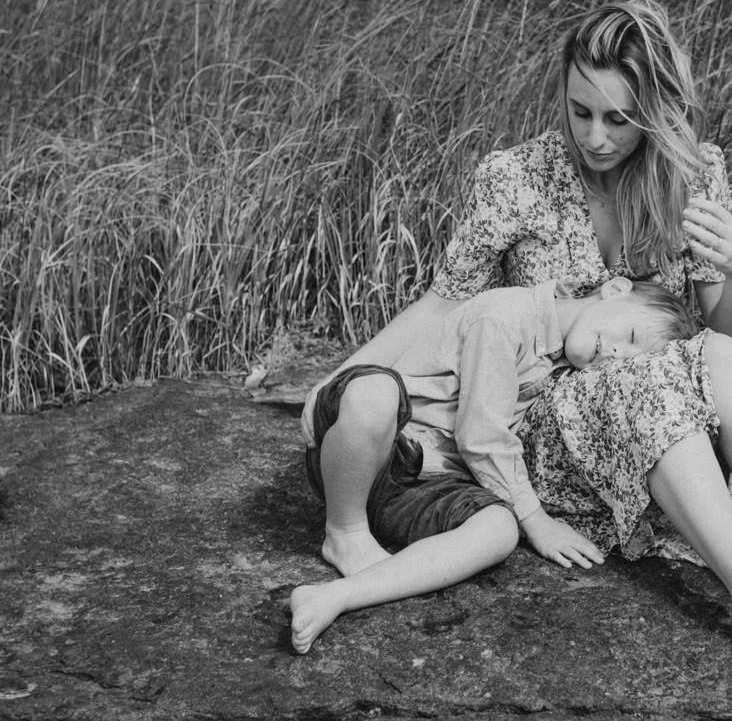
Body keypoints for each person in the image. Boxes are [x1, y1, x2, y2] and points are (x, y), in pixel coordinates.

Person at [279, 0, 732, 681]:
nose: (597, 136)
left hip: (657, 413)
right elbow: (445, 302)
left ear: (655, 109)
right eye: (581, 111)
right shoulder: (517, 178)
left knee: (727, 356)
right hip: (551, 425)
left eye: (619, 118)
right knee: (644, 377)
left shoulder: (689, 175)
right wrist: (349, 376)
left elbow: (719, 328)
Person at [287, 278, 697, 654]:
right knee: (374, 393)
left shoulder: (563, 365)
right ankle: (345, 530)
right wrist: (537, 521)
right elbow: (480, 435)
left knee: (500, 529)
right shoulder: (505, 316)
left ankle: (338, 595)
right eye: (629, 336)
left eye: (625, 360)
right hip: (366, 450)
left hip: (420, 482)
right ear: (615, 287)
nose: (613, 353)